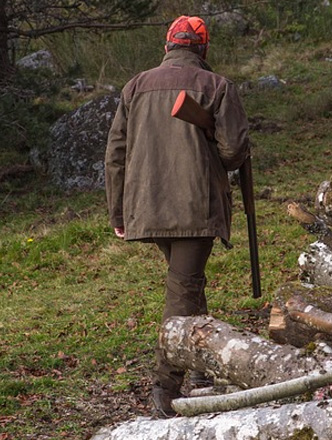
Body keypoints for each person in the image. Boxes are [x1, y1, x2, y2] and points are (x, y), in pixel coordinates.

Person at [104, 16, 250, 418]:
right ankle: (164, 387)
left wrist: (119, 212)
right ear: (203, 48)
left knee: (186, 284)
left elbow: (116, 153)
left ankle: (199, 367)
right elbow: (233, 152)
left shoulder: (135, 86)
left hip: (146, 207)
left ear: (167, 45)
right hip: (193, 206)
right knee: (182, 294)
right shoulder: (218, 86)